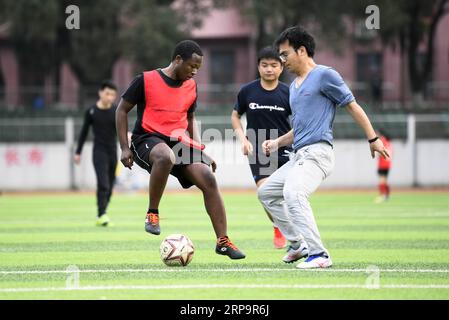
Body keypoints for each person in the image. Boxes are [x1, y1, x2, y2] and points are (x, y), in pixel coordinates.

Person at [258, 26, 389, 269]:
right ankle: (298, 245)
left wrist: (373, 139)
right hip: (299, 155)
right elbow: (300, 128)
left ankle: (319, 255)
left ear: (302, 50)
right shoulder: (295, 87)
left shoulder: (325, 75)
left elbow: (352, 106)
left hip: (318, 154)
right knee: (265, 194)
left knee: (293, 194)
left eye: (285, 54)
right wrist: (277, 142)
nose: (282, 60)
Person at [116, 40, 245, 260]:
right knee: (166, 156)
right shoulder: (145, 80)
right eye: (191, 66)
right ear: (177, 60)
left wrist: (200, 150)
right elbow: (121, 110)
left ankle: (223, 241)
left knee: (208, 177)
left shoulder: (191, 86)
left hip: (178, 142)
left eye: (198, 68)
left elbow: (190, 118)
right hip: (146, 139)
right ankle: (152, 213)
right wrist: (125, 148)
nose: (194, 71)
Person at [231, 46, 291, 249]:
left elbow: (300, 121)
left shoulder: (289, 92)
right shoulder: (247, 91)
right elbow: (235, 116)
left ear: (281, 68)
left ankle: (292, 230)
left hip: (284, 147)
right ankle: (277, 226)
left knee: (289, 195)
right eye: (264, 65)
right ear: (258, 67)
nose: (269, 69)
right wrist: (243, 140)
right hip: (257, 148)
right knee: (265, 192)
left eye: (274, 65)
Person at [74, 80, 118, 227]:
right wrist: (78, 152)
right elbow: (84, 132)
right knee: (103, 183)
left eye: (112, 94)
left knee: (110, 185)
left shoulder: (116, 111)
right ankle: (101, 214)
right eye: (107, 93)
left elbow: (121, 130)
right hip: (99, 151)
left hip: (113, 151)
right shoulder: (92, 111)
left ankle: (103, 211)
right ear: (100, 93)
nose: (110, 97)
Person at [375, 129, 393, 203]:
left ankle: (382, 195)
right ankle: (387, 195)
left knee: (381, 181)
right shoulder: (389, 142)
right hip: (388, 164)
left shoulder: (381, 141)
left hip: (382, 164)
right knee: (385, 181)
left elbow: (380, 152)